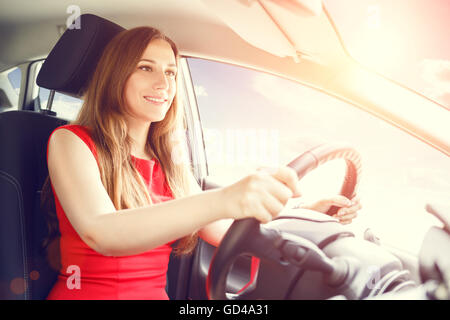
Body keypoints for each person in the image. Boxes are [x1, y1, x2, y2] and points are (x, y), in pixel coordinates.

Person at [42, 26, 361, 300]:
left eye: (170, 72)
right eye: (145, 68)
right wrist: (224, 199)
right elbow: (102, 232)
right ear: (115, 75)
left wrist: (308, 214)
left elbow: (228, 233)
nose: (163, 84)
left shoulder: (170, 165)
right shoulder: (70, 141)